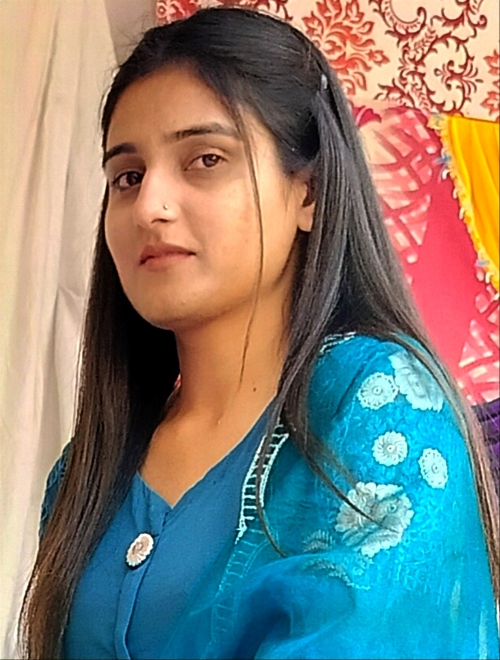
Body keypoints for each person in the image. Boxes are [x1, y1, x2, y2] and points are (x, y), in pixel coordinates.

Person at [20, 6, 499, 659]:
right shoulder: (84, 472)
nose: (150, 206)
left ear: (308, 194)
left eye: (205, 159)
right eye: (127, 177)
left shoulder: (378, 406)